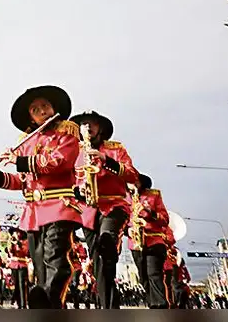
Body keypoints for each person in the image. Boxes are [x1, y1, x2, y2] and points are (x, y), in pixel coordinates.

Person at [0, 85, 84, 308]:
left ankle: (49, 299)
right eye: (35, 109)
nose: (41, 111)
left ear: (53, 108)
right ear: (30, 116)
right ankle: (50, 305)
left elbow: (58, 162)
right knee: (39, 264)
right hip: (33, 212)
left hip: (59, 205)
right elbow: (22, 181)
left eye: (45, 106)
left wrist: (19, 160)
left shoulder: (66, 134)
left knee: (55, 257)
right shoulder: (27, 142)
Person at [72, 111, 137, 309]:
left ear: (100, 127)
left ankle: (109, 242)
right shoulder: (75, 152)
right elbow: (69, 182)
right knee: (99, 263)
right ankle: (108, 307)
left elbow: (132, 174)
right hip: (89, 210)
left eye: (92, 123)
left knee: (106, 241)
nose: (87, 127)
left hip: (114, 206)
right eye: (83, 124)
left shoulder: (116, 149)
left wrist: (105, 160)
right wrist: (78, 190)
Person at [131, 173, 171, 308]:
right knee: (143, 277)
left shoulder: (154, 196)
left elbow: (165, 219)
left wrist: (149, 212)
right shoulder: (126, 198)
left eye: (135, 181)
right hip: (136, 243)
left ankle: (160, 306)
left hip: (154, 240)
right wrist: (127, 230)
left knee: (153, 274)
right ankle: (152, 304)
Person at [6, 227, 30, 308]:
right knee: (16, 285)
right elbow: (10, 252)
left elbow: (25, 252)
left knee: (22, 285)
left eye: (17, 232)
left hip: (22, 265)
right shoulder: (11, 242)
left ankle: (23, 305)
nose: (15, 234)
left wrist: (18, 243)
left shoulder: (25, 242)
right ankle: (19, 303)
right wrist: (12, 243)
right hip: (14, 265)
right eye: (14, 233)